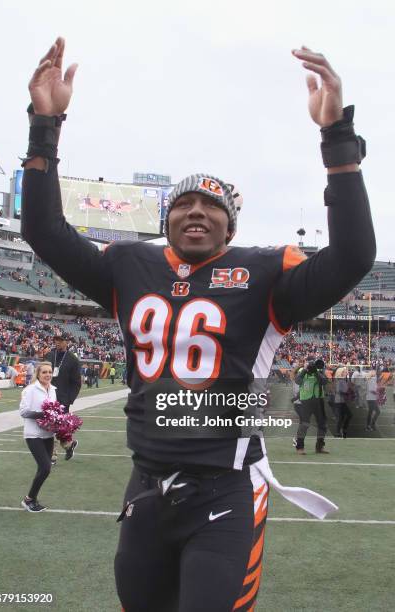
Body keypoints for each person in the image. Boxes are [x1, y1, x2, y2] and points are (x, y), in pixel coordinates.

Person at [21, 38, 375, 611]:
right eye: (183, 203)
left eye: (212, 206)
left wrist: (337, 140)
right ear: (166, 221)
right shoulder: (130, 267)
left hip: (226, 490)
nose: (195, 210)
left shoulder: (264, 273)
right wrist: (45, 123)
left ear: (230, 228)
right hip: (147, 485)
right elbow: (43, 229)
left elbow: (354, 254)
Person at [19, 362, 56, 512]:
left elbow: (55, 410)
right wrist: (42, 415)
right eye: (44, 372)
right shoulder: (30, 390)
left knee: (45, 468)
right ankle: (28, 499)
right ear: (38, 374)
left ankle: (31, 499)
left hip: (48, 434)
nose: (47, 375)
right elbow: (23, 412)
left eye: (50, 372)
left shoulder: (53, 389)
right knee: (45, 468)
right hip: (33, 434)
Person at [44, 332, 81, 462]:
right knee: (50, 426)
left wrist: (69, 399)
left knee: (59, 428)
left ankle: (64, 448)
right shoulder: (49, 355)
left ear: (67, 342)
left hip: (63, 399)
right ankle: (57, 452)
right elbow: (41, 374)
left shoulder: (73, 360)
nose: (57, 342)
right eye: (56, 340)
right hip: (48, 397)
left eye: (60, 340)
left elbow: (76, 383)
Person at [294, 358, 329, 454]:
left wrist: (316, 372)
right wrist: (305, 369)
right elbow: (297, 381)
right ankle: (299, 447)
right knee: (304, 424)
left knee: (322, 424)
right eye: (309, 363)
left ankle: (320, 447)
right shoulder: (302, 371)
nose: (311, 365)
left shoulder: (319, 372)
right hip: (306, 400)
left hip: (318, 400)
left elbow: (324, 382)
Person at [333, 365, 352, 438]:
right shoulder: (340, 380)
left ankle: (340, 431)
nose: (346, 372)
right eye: (344, 372)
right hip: (339, 401)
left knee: (344, 417)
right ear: (341, 373)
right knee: (343, 417)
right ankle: (339, 431)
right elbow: (339, 391)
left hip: (342, 401)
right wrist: (347, 393)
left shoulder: (343, 380)